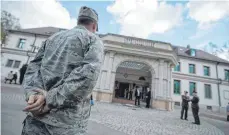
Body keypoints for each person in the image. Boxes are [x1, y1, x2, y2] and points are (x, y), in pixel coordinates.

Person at [21, 6, 104, 135]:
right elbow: (87, 77)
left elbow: (33, 67)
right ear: (94, 26)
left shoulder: (53, 38)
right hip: (65, 126)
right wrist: (50, 100)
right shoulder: (93, 40)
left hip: (34, 122)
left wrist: (33, 95)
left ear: (79, 21)